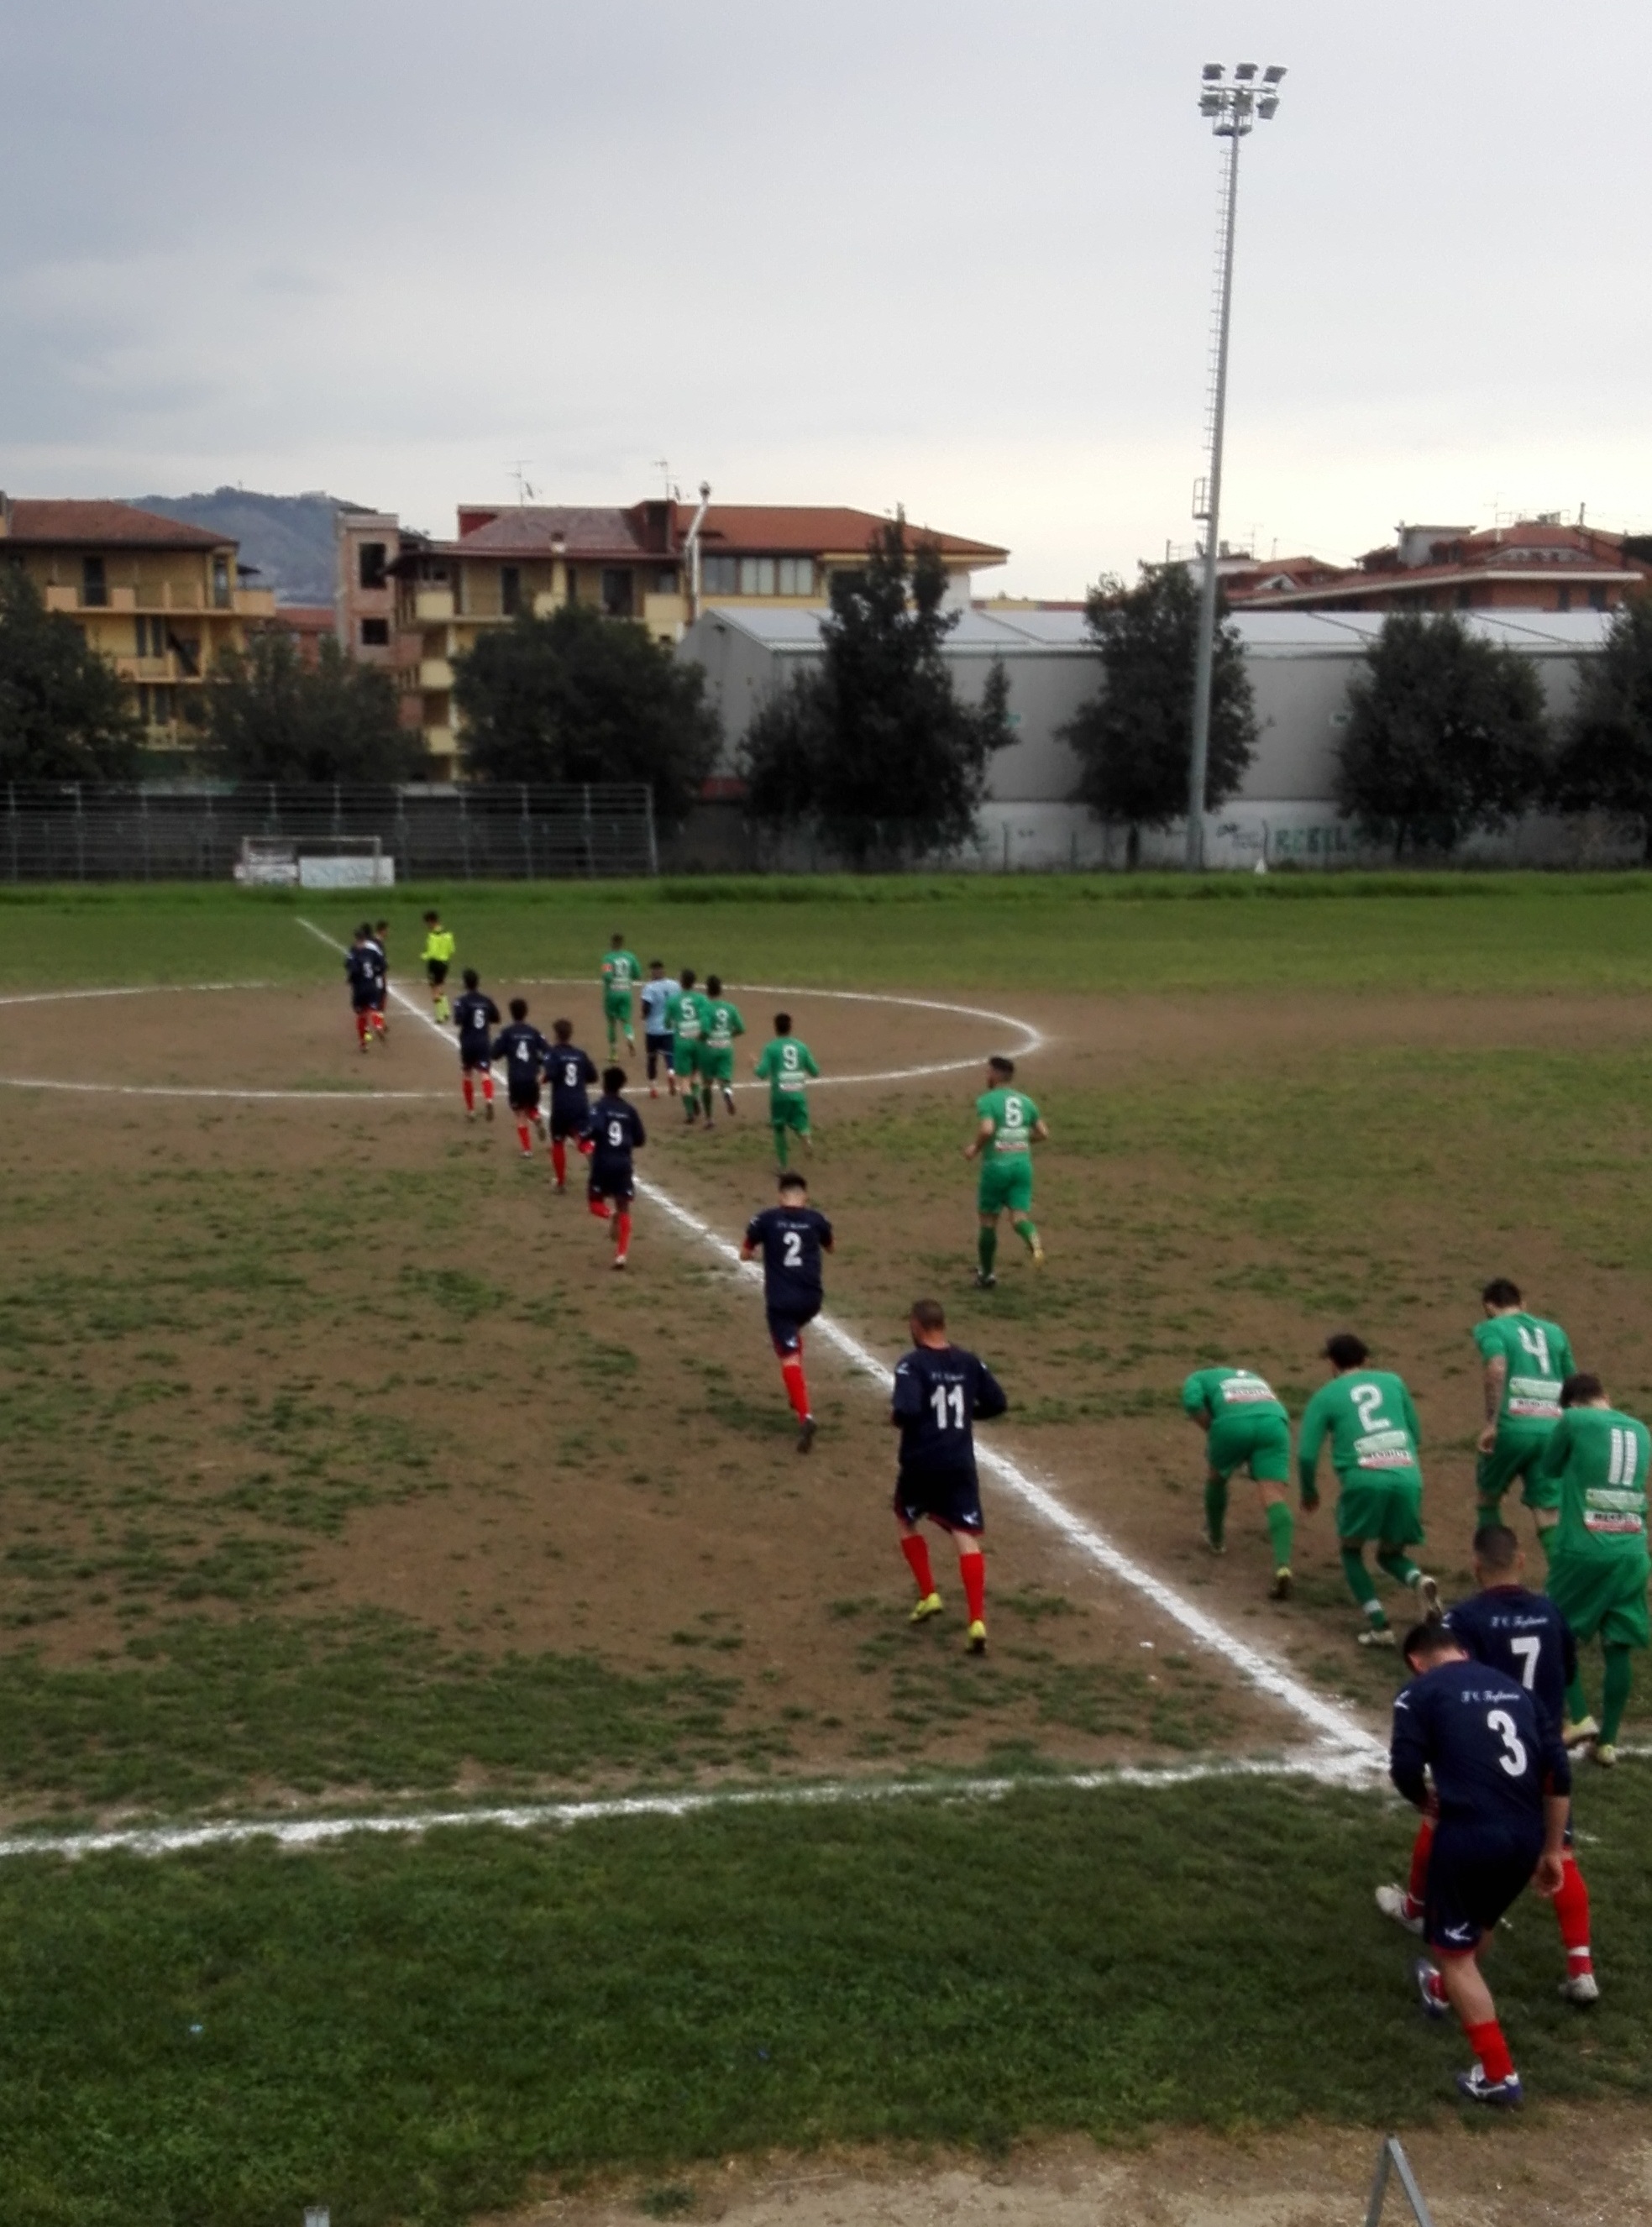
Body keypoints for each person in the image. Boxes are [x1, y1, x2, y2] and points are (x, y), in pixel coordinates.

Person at [1376, 1524, 1598, 2004]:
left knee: (1439, 1819)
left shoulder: (1466, 1620)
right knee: (1559, 1851)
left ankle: (1418, 1910)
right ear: (1520, 1560)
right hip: (1542, 1745)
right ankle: (1581, 1966)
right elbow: (1570, 1670)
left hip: (1488, 1747)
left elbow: (1446, 1674)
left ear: (1476, 1567)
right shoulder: (1549, 1611)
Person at [1391, 1618, 1570, 2105]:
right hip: (1525, 1835)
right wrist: (1552, 1849)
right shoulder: (1517, 1691)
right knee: (1477, 1919)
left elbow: (1405, 1769)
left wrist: (1423, 1799)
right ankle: (1440, 1991)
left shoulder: (1419, 1694)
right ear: (1462, 1652)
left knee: (1455, 1956)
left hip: (1470, 1835)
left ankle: (1498, 2075)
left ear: (1416, 1661)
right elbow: (1560, 1774)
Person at [1534, 1371, 1650, 1767]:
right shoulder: (1640, 1430)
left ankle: (1580, 1716)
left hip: (1583, 1549)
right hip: (1632, 1548)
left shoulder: (1572, 1421)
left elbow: (1549, 1467)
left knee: (1552, 1630)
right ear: (1606, 1395)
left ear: (1570, 1403)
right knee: (1619, 1643)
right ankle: (1609, 1744)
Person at [1298, 1334, 1440, 1645]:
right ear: (1367, 1360)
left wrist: (1309, 1491)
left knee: (1351, 1550)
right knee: (1390, 1554)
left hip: (1363, 1480)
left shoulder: (1326, 1396)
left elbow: (1307, 1455)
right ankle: (1419, 1579)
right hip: (1406, 1476)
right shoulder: (1394, 1382)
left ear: (1332, 1364)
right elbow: (1415, 1434)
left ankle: (1380, 1624)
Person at [890, 1298, 1008, 1653]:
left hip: (922, 1462)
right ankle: (976, 1620)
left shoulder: (911, 1365)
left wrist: (896, 1419)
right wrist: (966, 1418)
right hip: (959, 1461)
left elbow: (907, 1409)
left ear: (917, 1326)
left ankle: (929, 1594)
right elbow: (998, 1402)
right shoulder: (970, 1362)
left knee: (905, 1519)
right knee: (964, 1535)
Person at [1473, 1279, 1576, 1542]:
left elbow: (1496, 1368)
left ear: (1489, 1306)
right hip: (1553, 1430)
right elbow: (1572, 1385)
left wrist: (1492, 1423)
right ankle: (1560, 1580)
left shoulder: (1491, 1328)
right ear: (1523, 1303)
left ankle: (1498, 1572)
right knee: (1547, 1511)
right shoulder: (1555, 1332)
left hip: (1512, 1427)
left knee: (1488, 1497)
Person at [1182, 1364, 1294, 1600]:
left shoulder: (1196, 1377)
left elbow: (1193, 1403)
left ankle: (1216, 1540)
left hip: (1232, 1423)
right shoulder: (1253, 1376)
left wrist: (1213, 1429)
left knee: (1217, 1478)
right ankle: (1283, 1565)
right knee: (1273, 1494)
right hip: (1275, 1422)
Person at [742, 1171, 834, 1453]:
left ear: (780, 1196)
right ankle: (796, 1396)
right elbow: (831, 1248)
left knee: (789, 1356)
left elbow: (744, 1253)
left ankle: (804, 1414)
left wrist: (754, 1253)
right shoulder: (817, 1219)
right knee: (793, 1334)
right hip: (811, 1299)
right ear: (804, 1197)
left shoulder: (766, 1219)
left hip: (781, 1301)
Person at [962, 1056, 1047, 1287]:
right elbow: (1043, 1133)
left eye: (989, 1072)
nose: (986, 1076)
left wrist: (974, 1148)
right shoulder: (1026, 1102)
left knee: (988, 1221)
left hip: (997, 1167)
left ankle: (987, 1275)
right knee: (1019, 1218)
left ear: (997, 1075)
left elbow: (988, 1129)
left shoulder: (988, 1101)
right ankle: (1034, 1241)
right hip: (1022, 1167)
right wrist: (1021, 1141)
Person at [584, 1065, 646, 1269]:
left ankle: (611, 1216)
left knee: (595, 1202)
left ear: (604, 1085)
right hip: (623, 1163)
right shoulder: (629, 1110)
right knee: (624, 1205)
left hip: (603, 1162)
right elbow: (640, 1139)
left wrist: (585, 1136)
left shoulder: (598, 1107)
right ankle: (621, 1255)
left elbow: (595, 1129)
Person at [753, 1012, 820, 1170]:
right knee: (800, 1122)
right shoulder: (802, 1047)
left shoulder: (771, 1048)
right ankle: (804, 1135)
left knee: (779, 1129)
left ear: (775, 1028)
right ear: (791, 1027)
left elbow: (761, 1073)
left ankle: (782, 1165)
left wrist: (754, 1064)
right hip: (798, 1094)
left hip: (780, 1095)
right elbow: (815, 1072)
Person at [490, 998, 553, 1161]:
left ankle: (526, 1149)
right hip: (532, 1078)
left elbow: (494, 1054)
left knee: (519, 1113)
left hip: (515, 1078)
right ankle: (537, 1117)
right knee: (531, 1106)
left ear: (511, 1013)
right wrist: (540, 1064)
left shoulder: (507, 1033)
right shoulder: (534, 1032)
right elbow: (548, 1053)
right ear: (526, 1013)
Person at [546, 1019, 599, 1191]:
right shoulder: (580, 1054)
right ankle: (592, 1157)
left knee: (558, 1142)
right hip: (580, 1103)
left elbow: (551, 1074)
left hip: (561, 1104)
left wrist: (543, 1078)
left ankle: (560, 1182)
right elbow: (593, 1077)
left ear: (556, 1035)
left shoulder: (553, 1054)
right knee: (583, 1138)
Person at [451, 967, 500, 1121]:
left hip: (467, 1041)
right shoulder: (486, 1000)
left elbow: (458, 1020)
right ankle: (489, 1100)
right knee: (485, 1073)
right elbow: (496, 1018)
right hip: (483, 1041)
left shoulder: (461, 1001)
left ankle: (471, 1110)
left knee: (467, 1074)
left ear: (465, 984)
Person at [700, 974, 745, 1123]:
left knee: (707, 1083)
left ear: (707, 990)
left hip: (709, 1050)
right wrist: (727, 1035)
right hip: (726, 1048)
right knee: (725, 1079)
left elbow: (705, 1031)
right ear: (721, 990)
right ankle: (727, 1093)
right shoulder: (730, 1008)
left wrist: (699, 1038)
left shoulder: (705, 1008)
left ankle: (709, 1118)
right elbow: (741, 1028)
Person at [666, 967, 708, 1125]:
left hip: (682, 1043)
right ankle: (696, 1097)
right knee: (695, 1074)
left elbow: (667, 1022)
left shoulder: (673, 1001)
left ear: (681, 982)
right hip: (698, 1042)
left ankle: (690, 1112)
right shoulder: (702, 1000)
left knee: (684, 1080)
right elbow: (706, 1020)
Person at [639, 960, 680, 1100]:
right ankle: (671, 1072)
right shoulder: (675, 985)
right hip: (670, 1029)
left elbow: (646, 1007)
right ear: (664, 971)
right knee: (670, 1055)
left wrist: (643, 1016)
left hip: (653, 1030)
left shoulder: (649, 988)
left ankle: (653, 1089)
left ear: (653, 972)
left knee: (652, 1059)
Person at [600, 931, 641, 1055]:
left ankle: (614, 1052)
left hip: (612, 994)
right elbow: (637, 975)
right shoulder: (631, 957)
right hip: (626, 993)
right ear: (622, 943)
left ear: (612, 943)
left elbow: (607, 976)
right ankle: (629, 1038)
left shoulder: (607, 958)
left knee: (612, 1023)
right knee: (626, 1021)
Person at [343, 926, 381, 1053]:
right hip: (371, 986)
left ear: (356, 938)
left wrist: (349, 979)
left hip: (359, 988)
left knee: (361, 1015)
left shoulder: (353, 952)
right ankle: (378, 1025)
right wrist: (375, 974)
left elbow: (352, 968)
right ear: (365, 938)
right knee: (374, 1009)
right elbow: (382, 965)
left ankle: (364, 1043)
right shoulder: (372, 951)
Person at [421, 908, 457, 1024]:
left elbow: (432, 953)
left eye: (427, 923)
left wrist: (424, 956)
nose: (427, 925)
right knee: (440, 986)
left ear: (431, 921)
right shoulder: (448, 934)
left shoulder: (432, 936)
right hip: (445, 963)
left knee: (434, 990)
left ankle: (439, 1016)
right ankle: (446, 1011)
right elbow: (452, 950)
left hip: (434, 964)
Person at [359, 921, 389, 1040]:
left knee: (364, 1007)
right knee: (380, 1000)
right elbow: (383, 964)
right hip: (377, 978)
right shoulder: (376, 945)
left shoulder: (359, 946)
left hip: (363, 980)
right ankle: (379, 1024)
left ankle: (365, 1034)